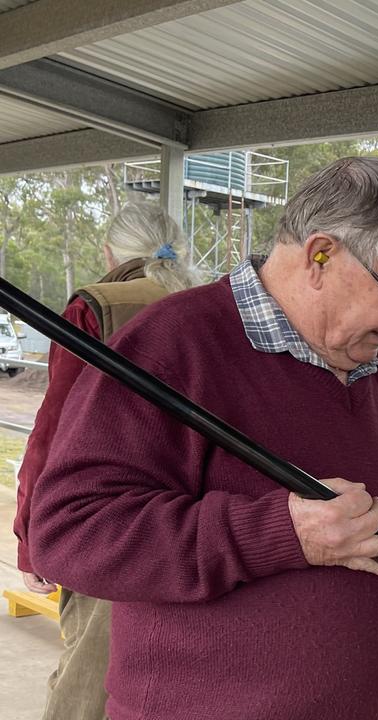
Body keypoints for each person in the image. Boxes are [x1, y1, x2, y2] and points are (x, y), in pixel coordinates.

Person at [27, 157, 378, 720]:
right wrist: (280, 533)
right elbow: (69, 532)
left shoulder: (374, 371)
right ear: (320, 254)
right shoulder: (173, 344)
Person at [14, 201, 200, 720]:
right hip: (201, 526)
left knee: (86, 685)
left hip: (111, 526)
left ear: (108, 251)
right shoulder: (212, 302)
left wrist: (33, 537)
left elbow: (56, 431)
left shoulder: (98, 306)